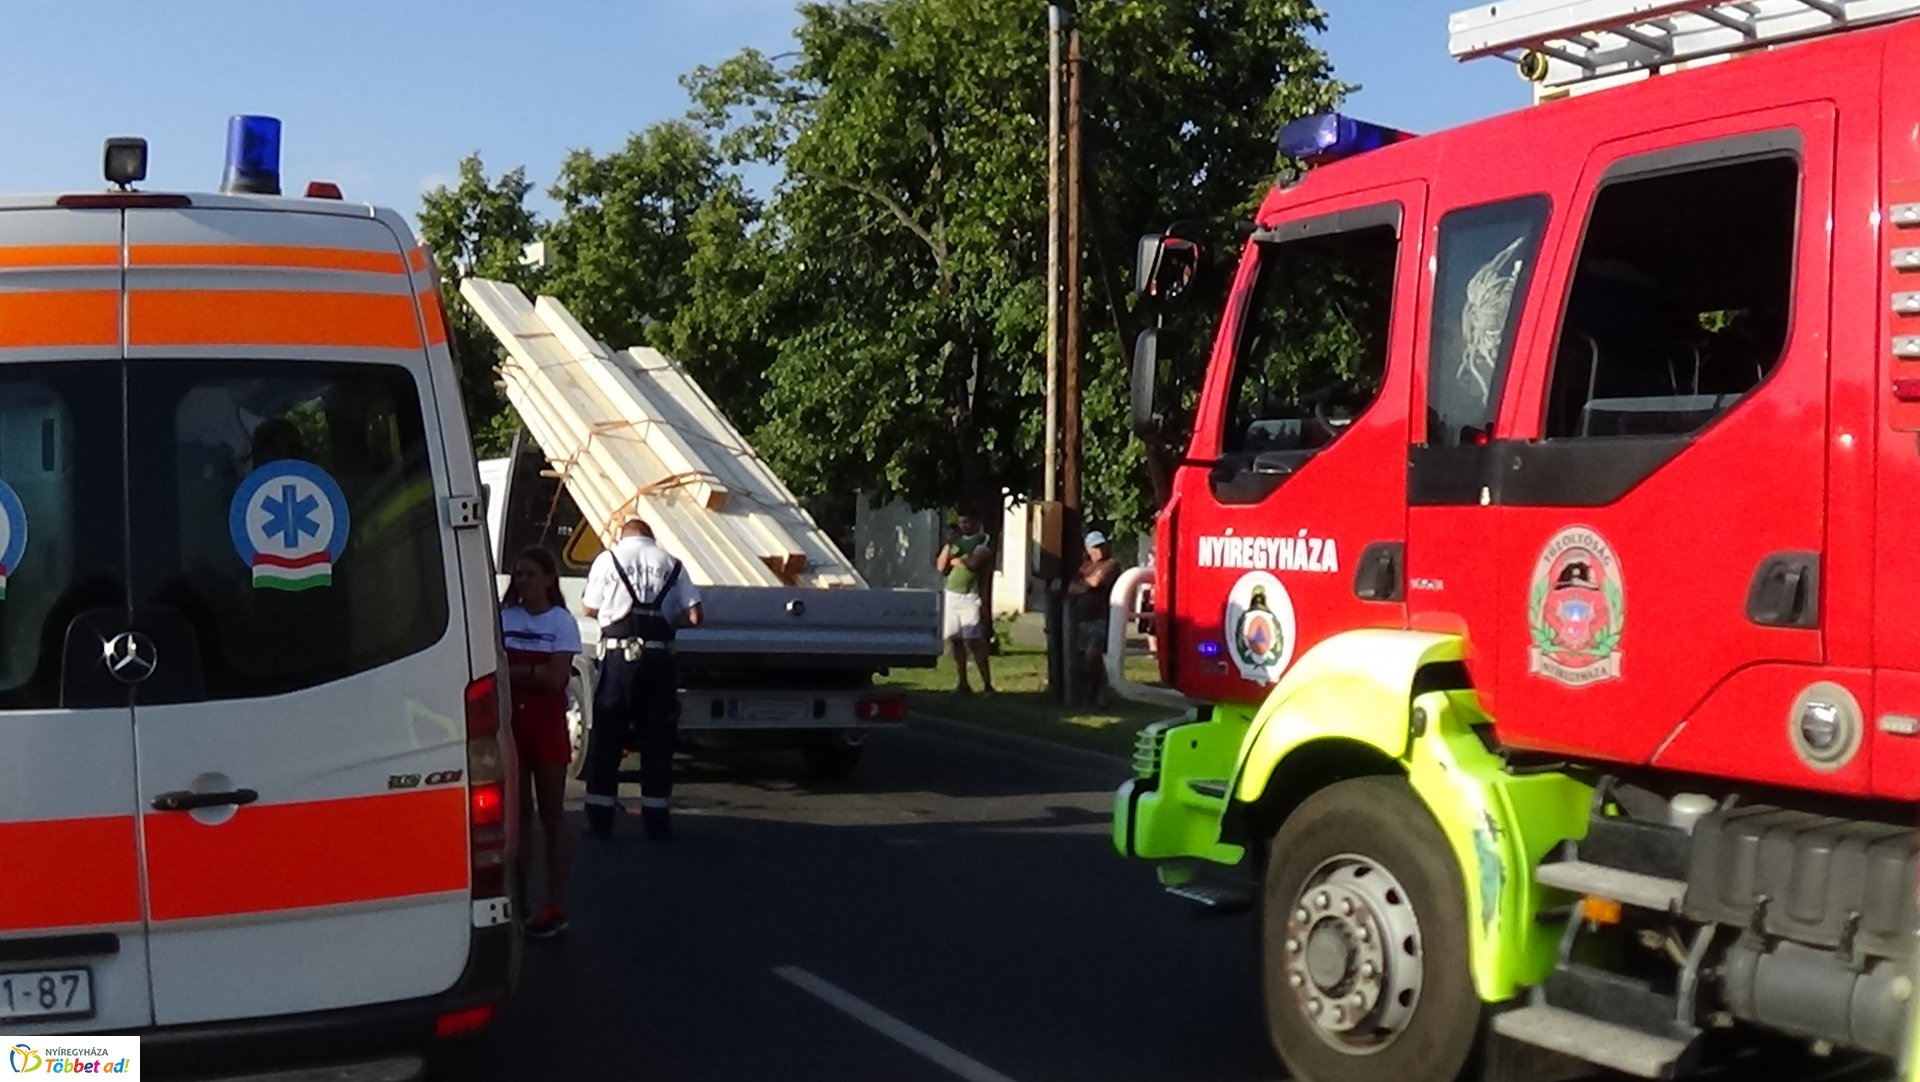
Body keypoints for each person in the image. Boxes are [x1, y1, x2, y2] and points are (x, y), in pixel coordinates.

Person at [580, 518, 703, 841]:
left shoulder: (608, 559)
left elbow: (589, 608)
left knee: (608, 739)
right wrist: (668, 619)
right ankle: (656, 821)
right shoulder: (673, 564)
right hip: (658, 662)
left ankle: (600, 819)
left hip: (618, 660)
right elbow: (695, 616)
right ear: (651, 537)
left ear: (623, 537)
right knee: (658, 742)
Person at [499, 547, 581, 939]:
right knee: (517, 814)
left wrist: (520, 672)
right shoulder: (504, 618)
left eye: (531, 574)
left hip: (545, 725)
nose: (524, 581)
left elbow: (554, 679)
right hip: (511, 724)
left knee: (551, 812)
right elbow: (495, 669)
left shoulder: (561, 622)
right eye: (519, 574)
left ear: (549, 579)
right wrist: (533, 670)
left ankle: (555, 902)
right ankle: (518, 900)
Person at [936, 510, 994, 695]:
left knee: (974, 640)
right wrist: (949, 545)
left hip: (970, 596)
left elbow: (974, 563)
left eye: (967, 522)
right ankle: (962, 682)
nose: (964, 526)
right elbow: (941, 566)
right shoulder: (958, 543)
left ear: (976, 522)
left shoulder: (983, 540)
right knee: (956, 640)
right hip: (951, 594)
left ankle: (987, 684)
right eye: (961, 522)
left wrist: (957, 561)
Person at [1066, 530, 1120, 705]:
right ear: (1088, 549)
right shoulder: (1085, 566)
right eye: (1095, 547)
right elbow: (1071, 588)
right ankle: (1097, 693)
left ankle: (1097, 693)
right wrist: (1085, 584)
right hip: (1082, 618)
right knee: (1084, 660)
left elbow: (1096, 582)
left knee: (1093, 655)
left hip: (1100, 617)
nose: (1100, 550)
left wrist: (1083, 584)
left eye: (1101, 546)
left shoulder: (1111, 564)